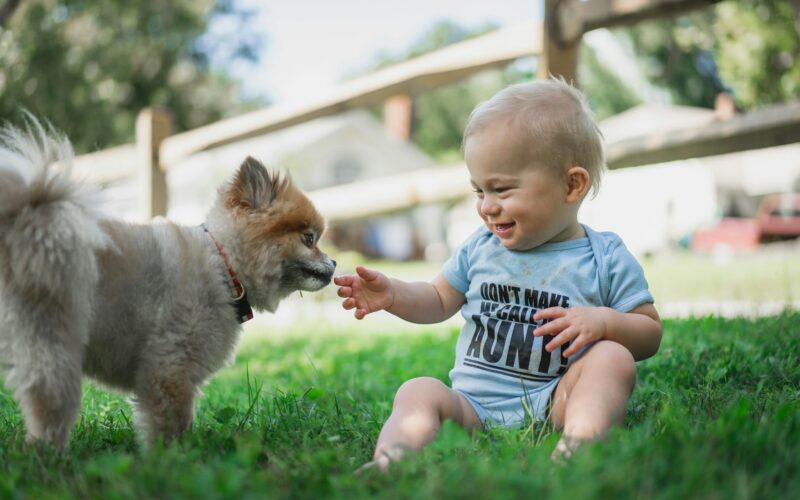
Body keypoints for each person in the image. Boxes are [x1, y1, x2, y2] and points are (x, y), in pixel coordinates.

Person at [334, 78, 662, 470]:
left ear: (571, 185)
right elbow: (439, 300)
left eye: (502, 190)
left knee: (613, 358)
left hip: (556, 401)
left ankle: (578, 445)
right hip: (471, 407)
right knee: (418, 389)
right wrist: (394, 295)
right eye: (479, 191)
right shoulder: (480, 247)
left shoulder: (604, 256)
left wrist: (605, 322)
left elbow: (649, 332)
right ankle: (391, 461)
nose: (487, 207)